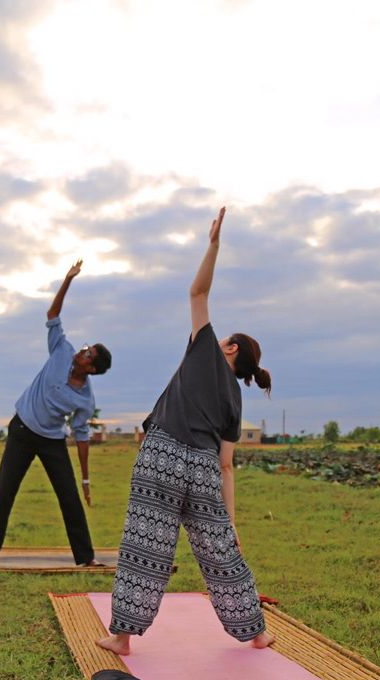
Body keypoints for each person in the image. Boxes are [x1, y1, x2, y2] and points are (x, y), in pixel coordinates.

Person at [98, 207, 275, 655]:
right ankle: (257, 632)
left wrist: (213, 244)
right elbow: (227, 466)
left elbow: (198, 291)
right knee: (221, 554)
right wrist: (230, 521)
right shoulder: (236, 400)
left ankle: (122, 638)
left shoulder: (205, 351)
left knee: (146, 547)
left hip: (162, 456)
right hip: (203, 470)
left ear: (229, 347)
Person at [0, 261, 112, 567]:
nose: (82, 351)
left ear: (91, 368)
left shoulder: (84, 399)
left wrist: (85, 478)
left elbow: (81, 436)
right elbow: (52, 315)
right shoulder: (62, 349)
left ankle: (85, 559)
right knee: (4, 492)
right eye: (85, 348)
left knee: (69, 497)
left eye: (87, 353)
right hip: (22, 430)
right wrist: (67, 280)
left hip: (51, 440)